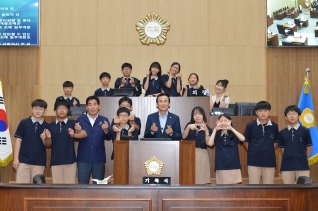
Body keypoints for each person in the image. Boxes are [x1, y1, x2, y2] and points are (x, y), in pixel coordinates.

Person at [40, 99, 87, 184]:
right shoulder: (50, 125)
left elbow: (84, 134)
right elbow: (48, 145)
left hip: (70, 161)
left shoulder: (73, 123)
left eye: (64, 108)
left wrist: (77, 132)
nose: (62, 110)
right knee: (57, 190)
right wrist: (48, 138)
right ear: (55, 110)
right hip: (55, 162)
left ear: (68, 110)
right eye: (59, 108)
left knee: (70, 189)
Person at [76, 95, 112, 184]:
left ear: (99, 106)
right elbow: (75, 136)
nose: (92, 107)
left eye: (95, 104)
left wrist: (106, 130)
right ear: (86, 107)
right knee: (82, 186)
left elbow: (109, 137)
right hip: (83, 158)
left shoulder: (104, 119)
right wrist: (78, 131)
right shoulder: (80, 119)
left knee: (99, 187)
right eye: (90, 104)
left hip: (98, 159)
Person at [13, 99, 48, 183]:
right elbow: (18, 141)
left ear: (44, 111)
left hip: (39, 162)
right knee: (21, 189)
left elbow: (47, 145)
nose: (38, 111)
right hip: (23, 161)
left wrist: (44, 138)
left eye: (40, 109)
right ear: (31, 109)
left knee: (36, 191)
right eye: (35, 108)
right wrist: (15, 159)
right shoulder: (24, 122)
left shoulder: (47, 125)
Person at [243, 101, 279, 184]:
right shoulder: (250, 125)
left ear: (269, 112)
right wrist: (253, 151)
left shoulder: (274, 126)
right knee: (253, 185)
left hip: (269, 160)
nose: (263, 113)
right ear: (256, 112)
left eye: (265, 111)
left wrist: (268, 150)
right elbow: (245, 141)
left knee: (269, 185)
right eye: (260, 111)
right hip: (254, 161)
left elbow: (276, 142)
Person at [207, 114, 245, 184]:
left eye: (225, 121)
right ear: (217, 122)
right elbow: (209, 144)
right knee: (222, 191)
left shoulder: (234, 134)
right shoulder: (216, 135)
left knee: (234, 191)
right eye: (221, 121)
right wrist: (215, 130)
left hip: (234, 165)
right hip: (221, 166)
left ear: (230, 121)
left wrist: (231, 128)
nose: (223, 123)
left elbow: (243, 139)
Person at [279, 105, 312, 184]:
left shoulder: (305, 131)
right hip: (287, 166)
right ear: (285, 117)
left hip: (302, 166)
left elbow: (309, 148)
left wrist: (303, 158)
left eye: (294, 114)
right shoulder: (282, 133)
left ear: (299, 116)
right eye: (289, 114)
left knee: (303, 191)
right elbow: (283, 150)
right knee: (288, 190)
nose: (292, 116)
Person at [182, 106, 212, 184]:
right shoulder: (189, 125)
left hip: (202, 154)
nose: (197, 116)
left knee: (201, 178)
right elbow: (183, 137)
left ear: (203, 115)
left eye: (199, 114)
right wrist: (188, 127)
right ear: (192, 116)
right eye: (195, 114)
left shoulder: (208, 128)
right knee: (189, 176)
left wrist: (206, 131)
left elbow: (209, 144)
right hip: (189, 153)